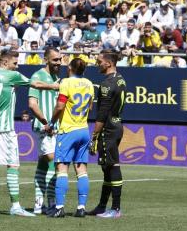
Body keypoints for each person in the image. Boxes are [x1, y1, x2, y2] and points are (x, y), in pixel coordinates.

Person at [0, 50, 58, 216]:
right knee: (13, 166)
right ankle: (15, 206)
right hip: (5, 128)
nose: (17, 66)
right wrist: (54, 86)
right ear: (5, 62)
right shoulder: (11, 76)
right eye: (15, 63)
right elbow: (35, 84)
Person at [47, 58, 95, 218]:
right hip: (83, 130)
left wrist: (51, 122)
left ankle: (59, 207)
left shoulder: (66, 83)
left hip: (68, 130)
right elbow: (90, 106)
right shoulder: (89, 83)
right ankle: (81, 207)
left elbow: (60, 105)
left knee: (62, 169)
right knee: (81, 170)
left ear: (70, 68)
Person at [88, 51, 126, 219]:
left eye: (99, 62)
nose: (98, 64)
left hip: (108, 129)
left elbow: (102, 114)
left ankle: (115, 208)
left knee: (112, 166)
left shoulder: (106, 84)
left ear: (108, 63)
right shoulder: (120, 79)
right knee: (107, 167)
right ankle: (102, 206)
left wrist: (94, 135)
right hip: (117, 125)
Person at [28, 47, 61, 214]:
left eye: (60, 59)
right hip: (45, 127)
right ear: (46, 60)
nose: (59, 62)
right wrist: (45, 123)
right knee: (53, 163)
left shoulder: (57, 78)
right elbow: (32, 104)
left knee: (42, 164)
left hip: (54, 128)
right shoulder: (37, 76)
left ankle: (38, 204)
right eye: (55, 59)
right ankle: (51, 203)